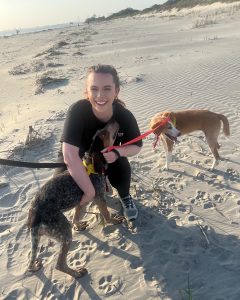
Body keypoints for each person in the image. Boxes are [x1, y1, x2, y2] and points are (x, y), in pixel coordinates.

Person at [55, 64, 142, 226]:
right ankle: (80, 209)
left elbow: (137, 145)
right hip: (77, 156)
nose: (100, 95)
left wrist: (118, 152)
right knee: (60, 184)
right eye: (94, 89)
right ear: (86, 92)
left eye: (107, 88)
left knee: (122, 167)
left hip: (107, 155)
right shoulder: (78, 110)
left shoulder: (124, 116)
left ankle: (124, 196)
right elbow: (69, 156)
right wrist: (89, 192)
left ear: (116, 91)